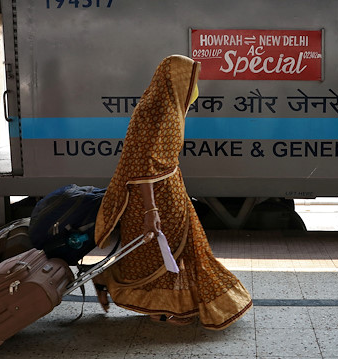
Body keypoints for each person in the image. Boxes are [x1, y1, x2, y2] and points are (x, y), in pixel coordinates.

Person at [92, 55, 252, 330]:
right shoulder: (162, 112)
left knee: (180, 248)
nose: (195, 87)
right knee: (168, 250)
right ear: (177, 80)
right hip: (155, 197)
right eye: (192, 79)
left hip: (169, 191)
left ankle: (168, 302)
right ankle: (155, 301)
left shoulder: (155, 104)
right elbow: (147, 165)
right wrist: (150, 210)